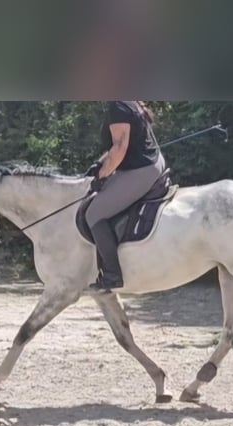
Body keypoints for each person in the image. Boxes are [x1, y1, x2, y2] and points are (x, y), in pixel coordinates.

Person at [84, 101, 167, 292]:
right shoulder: (129, 101)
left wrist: (101, 176)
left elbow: (120, 147)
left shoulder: (118, 107)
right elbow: (121, 147)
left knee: (93, 214)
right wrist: (101, 163)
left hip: (141, 170)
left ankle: (112, 275)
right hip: (150, 162)